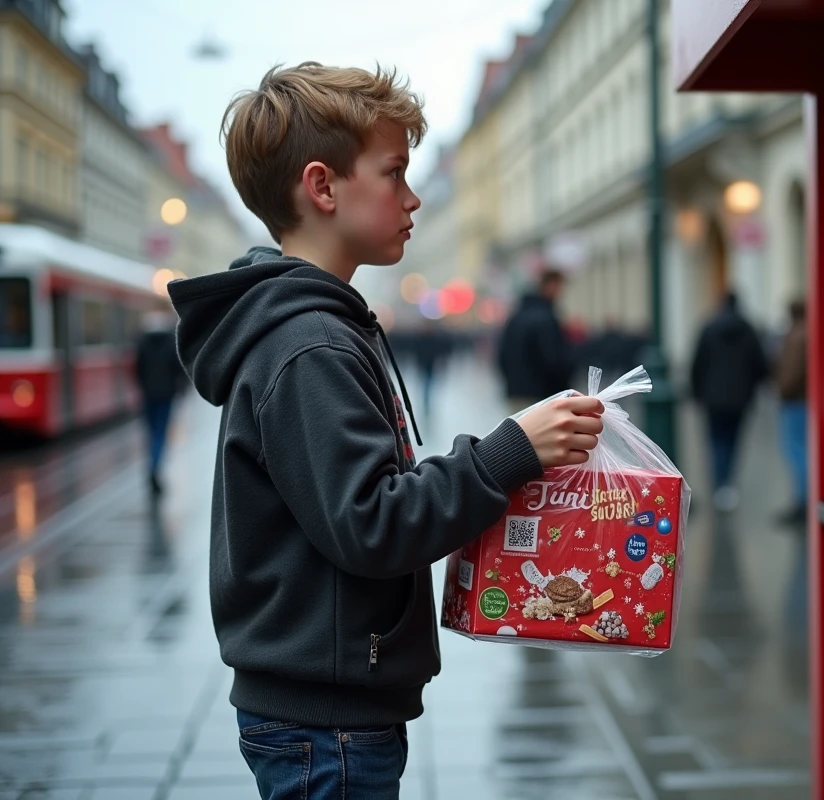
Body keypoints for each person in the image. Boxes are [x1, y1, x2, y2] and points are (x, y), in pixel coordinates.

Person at [167, 63, 604, 800]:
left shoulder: (319, 325)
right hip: (327, 720)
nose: (413, 196)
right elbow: (372, 521)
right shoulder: (310, 344)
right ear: (324, 186)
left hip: (327, 700)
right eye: (394, 172)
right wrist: (510, 450)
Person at [690, 292, 769, 511]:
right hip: (740, 398)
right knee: (734, 440)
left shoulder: (709, 328)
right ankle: (728, 486)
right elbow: (760, 365)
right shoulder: (748, 330)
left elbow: (698, 362)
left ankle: (719, 484)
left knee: (716, 440)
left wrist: (696, 392)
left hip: (712, 398)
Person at [497, 269, 574, 414]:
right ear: (550, 286)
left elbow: (502, 355)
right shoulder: (545, 318)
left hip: (516, 392)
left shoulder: (516, 316)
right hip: (542, 396)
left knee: (520, 435)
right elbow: (552, 360)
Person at [134, 309, 187, 496]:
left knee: (150, 433)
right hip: (166, 394)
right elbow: (179, 368)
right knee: (160, 433)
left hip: (148, 395)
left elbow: (137, 369)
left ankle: (151, 466)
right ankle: (156, 467)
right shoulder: (169, 342)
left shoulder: (142, 342)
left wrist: (143, 386)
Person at [775, 299, 809, 526]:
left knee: (796, 450)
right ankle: (804, 499)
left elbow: (791, 372)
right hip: (801, 399)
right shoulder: (806, 333)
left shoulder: (796, 336)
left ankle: (803, 500)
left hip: (795, 400)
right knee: (800, 449)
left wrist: (782, 389)